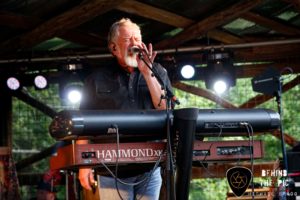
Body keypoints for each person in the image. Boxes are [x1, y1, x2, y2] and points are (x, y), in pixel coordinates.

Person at [77, 18, 174, 200]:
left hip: (149, 167)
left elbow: (165, 111)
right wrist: (84, 165)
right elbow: (83, 125)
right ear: (114, 48)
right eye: (129, 39)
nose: (135, 44)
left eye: (138, 39)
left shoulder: (158, 71)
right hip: (111, 169)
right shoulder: (96, 79)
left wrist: (147, 73)